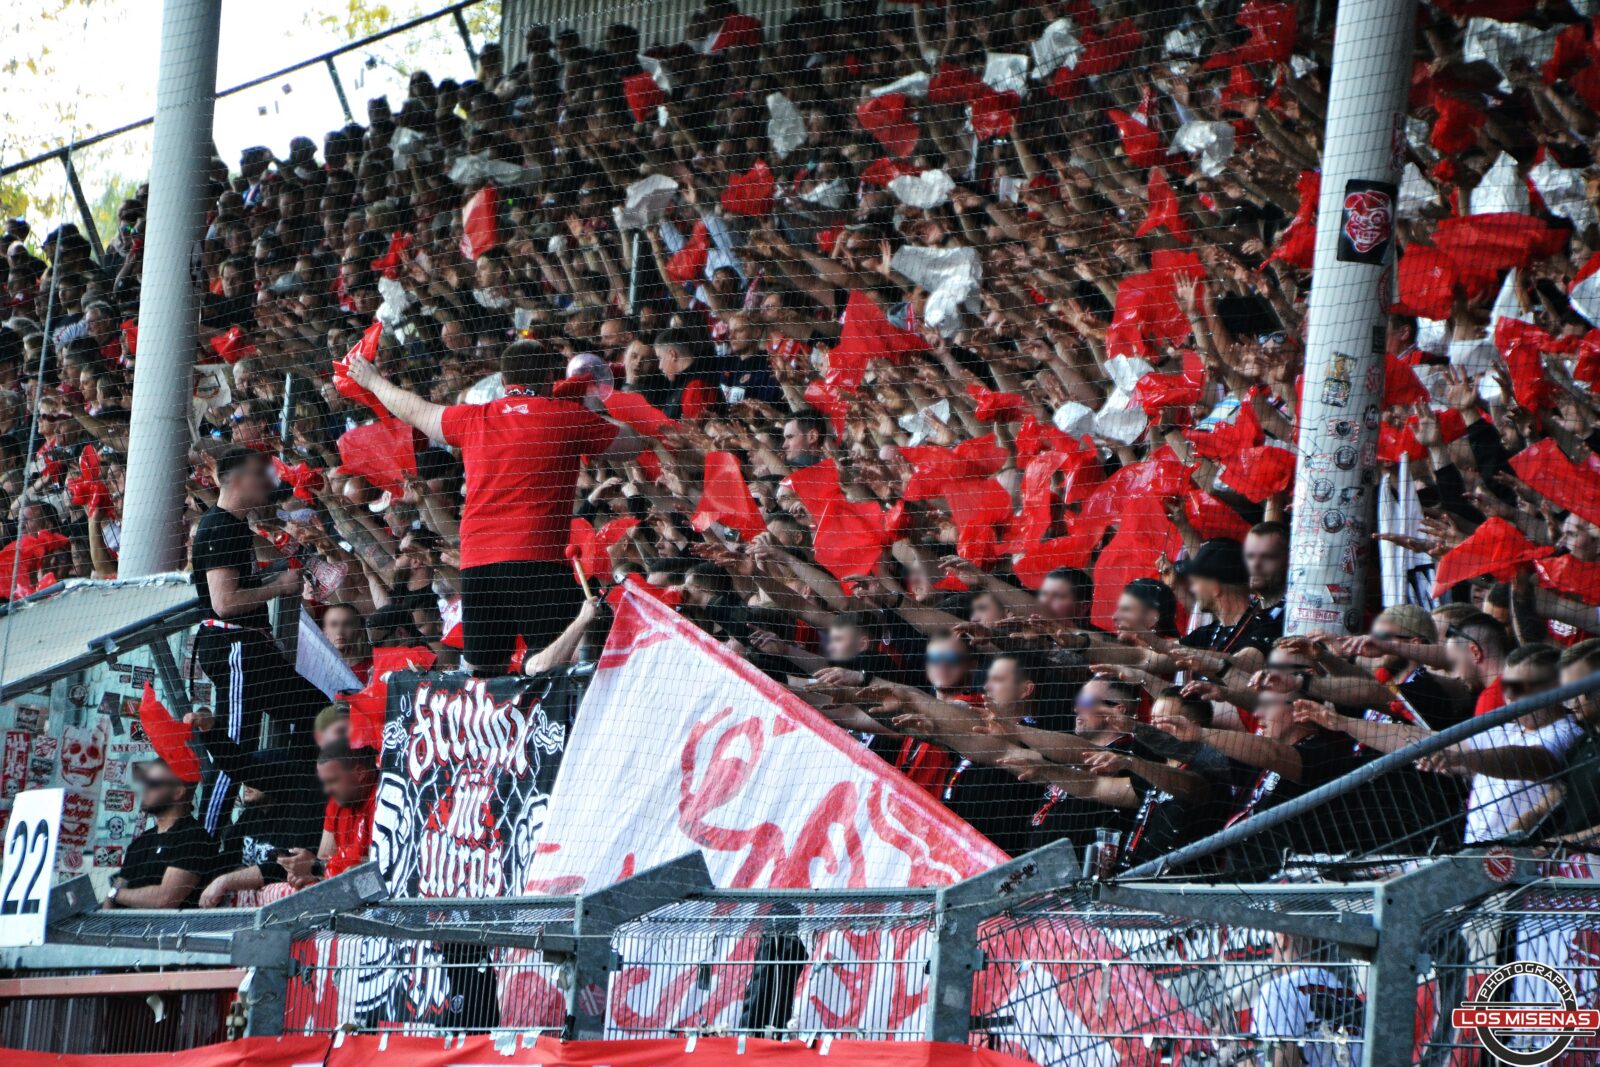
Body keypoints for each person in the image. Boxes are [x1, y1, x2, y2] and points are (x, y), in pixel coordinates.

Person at [344, 339, 639, 673]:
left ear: (502, 382)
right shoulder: (566, 416)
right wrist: (589, 403)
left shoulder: (475, 418)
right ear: (549, 376)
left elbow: (413, 409)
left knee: (484, 671)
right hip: (536, 558)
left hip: (478, 563)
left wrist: (371, 381)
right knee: (565, 661)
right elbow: (631, 444)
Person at [189, 447, 329, 831]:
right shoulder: (219, 526)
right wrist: (279, 586)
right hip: (233, 648)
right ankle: (206, 841)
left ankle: (305, 808)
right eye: (259, 473)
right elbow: (224, 603)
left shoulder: (233, 524)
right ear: (235, 480)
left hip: (253, 649)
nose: (269, 481)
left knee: (318, 714)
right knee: (236, 747)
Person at [104, 760, 214, 909]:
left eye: (153, 784)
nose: (145, 789)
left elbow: (165, 899)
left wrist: (116, 894)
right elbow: (112, 899)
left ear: (178, 792)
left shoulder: (194, 838)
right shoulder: (140, 842)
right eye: (145, 782)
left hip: (171, 930)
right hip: (125, 928)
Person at [280, 739, 380, 886]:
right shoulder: (337, 803)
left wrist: (316, 866)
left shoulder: (382, 801)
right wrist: (310, 874)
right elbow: (325, 862)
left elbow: (376, 870)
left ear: (360, 773)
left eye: (333, 781)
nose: (327, 790)